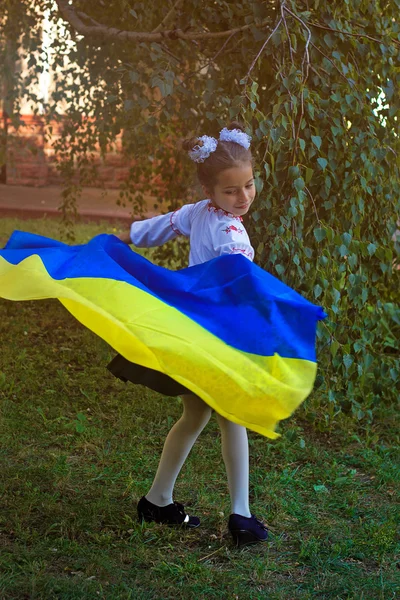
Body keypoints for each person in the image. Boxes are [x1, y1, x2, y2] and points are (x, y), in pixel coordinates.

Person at [108, 122, 269, 547]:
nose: (244, 197)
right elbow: (237, 277)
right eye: (232, 190)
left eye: (249, 185)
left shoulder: (200, 213)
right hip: (215, 331)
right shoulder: (231, 232)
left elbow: (166, 224)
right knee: (230, 416)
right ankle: (241, 514)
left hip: (193, 327)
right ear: (210, 189)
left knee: (196, 415)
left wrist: (126, 238)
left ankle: (157, 499)